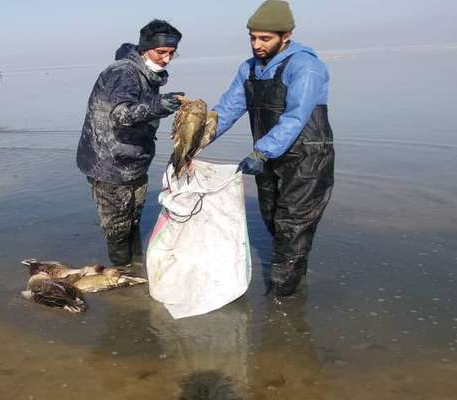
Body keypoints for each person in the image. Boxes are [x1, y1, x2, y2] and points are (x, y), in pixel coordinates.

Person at [212, 0, 335, 296]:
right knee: (272, 221)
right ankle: (295, 280)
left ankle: (282, 304)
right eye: (252, 37)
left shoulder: (307, 66)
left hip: (307, 158)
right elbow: (228, 109)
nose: (257, 44)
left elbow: (296, 116)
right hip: (268, 156)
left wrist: (261, 151)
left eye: (265, 38)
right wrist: (196, 140)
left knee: (291, 226)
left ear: (286, 35)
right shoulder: (250, 69)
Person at [76, 20, 185, 268]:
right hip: (108, 163)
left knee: (133, 219)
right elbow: (120, 114)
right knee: (117, 226)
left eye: (171, 54)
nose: (167, 59)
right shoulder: (122, 72)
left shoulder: (149, 74)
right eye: (161, 52)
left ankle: (134, 269)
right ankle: (121, 279)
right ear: (146, 48)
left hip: (134, 161)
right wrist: (160, 106)